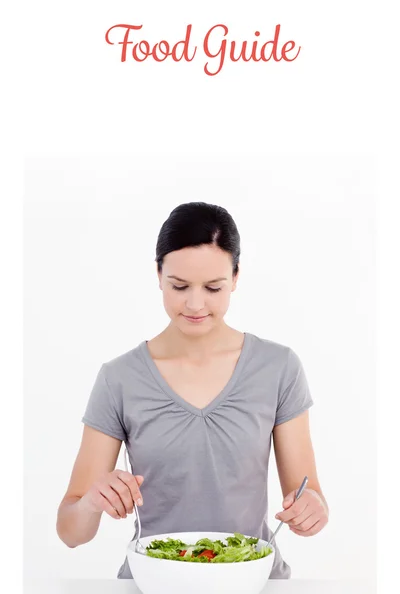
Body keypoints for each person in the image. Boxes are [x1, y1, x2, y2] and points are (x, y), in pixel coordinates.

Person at [56, 201, 329, 579]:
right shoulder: (119, 378)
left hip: (251, 581)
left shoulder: (279, 368)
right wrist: (91, 503)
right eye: (179, 286)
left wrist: (311, 510)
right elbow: (70, 531)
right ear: (158, 274)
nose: (196, 304)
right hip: (153, 582)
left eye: (213, 287)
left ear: (235, 278)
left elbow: (306, 492)